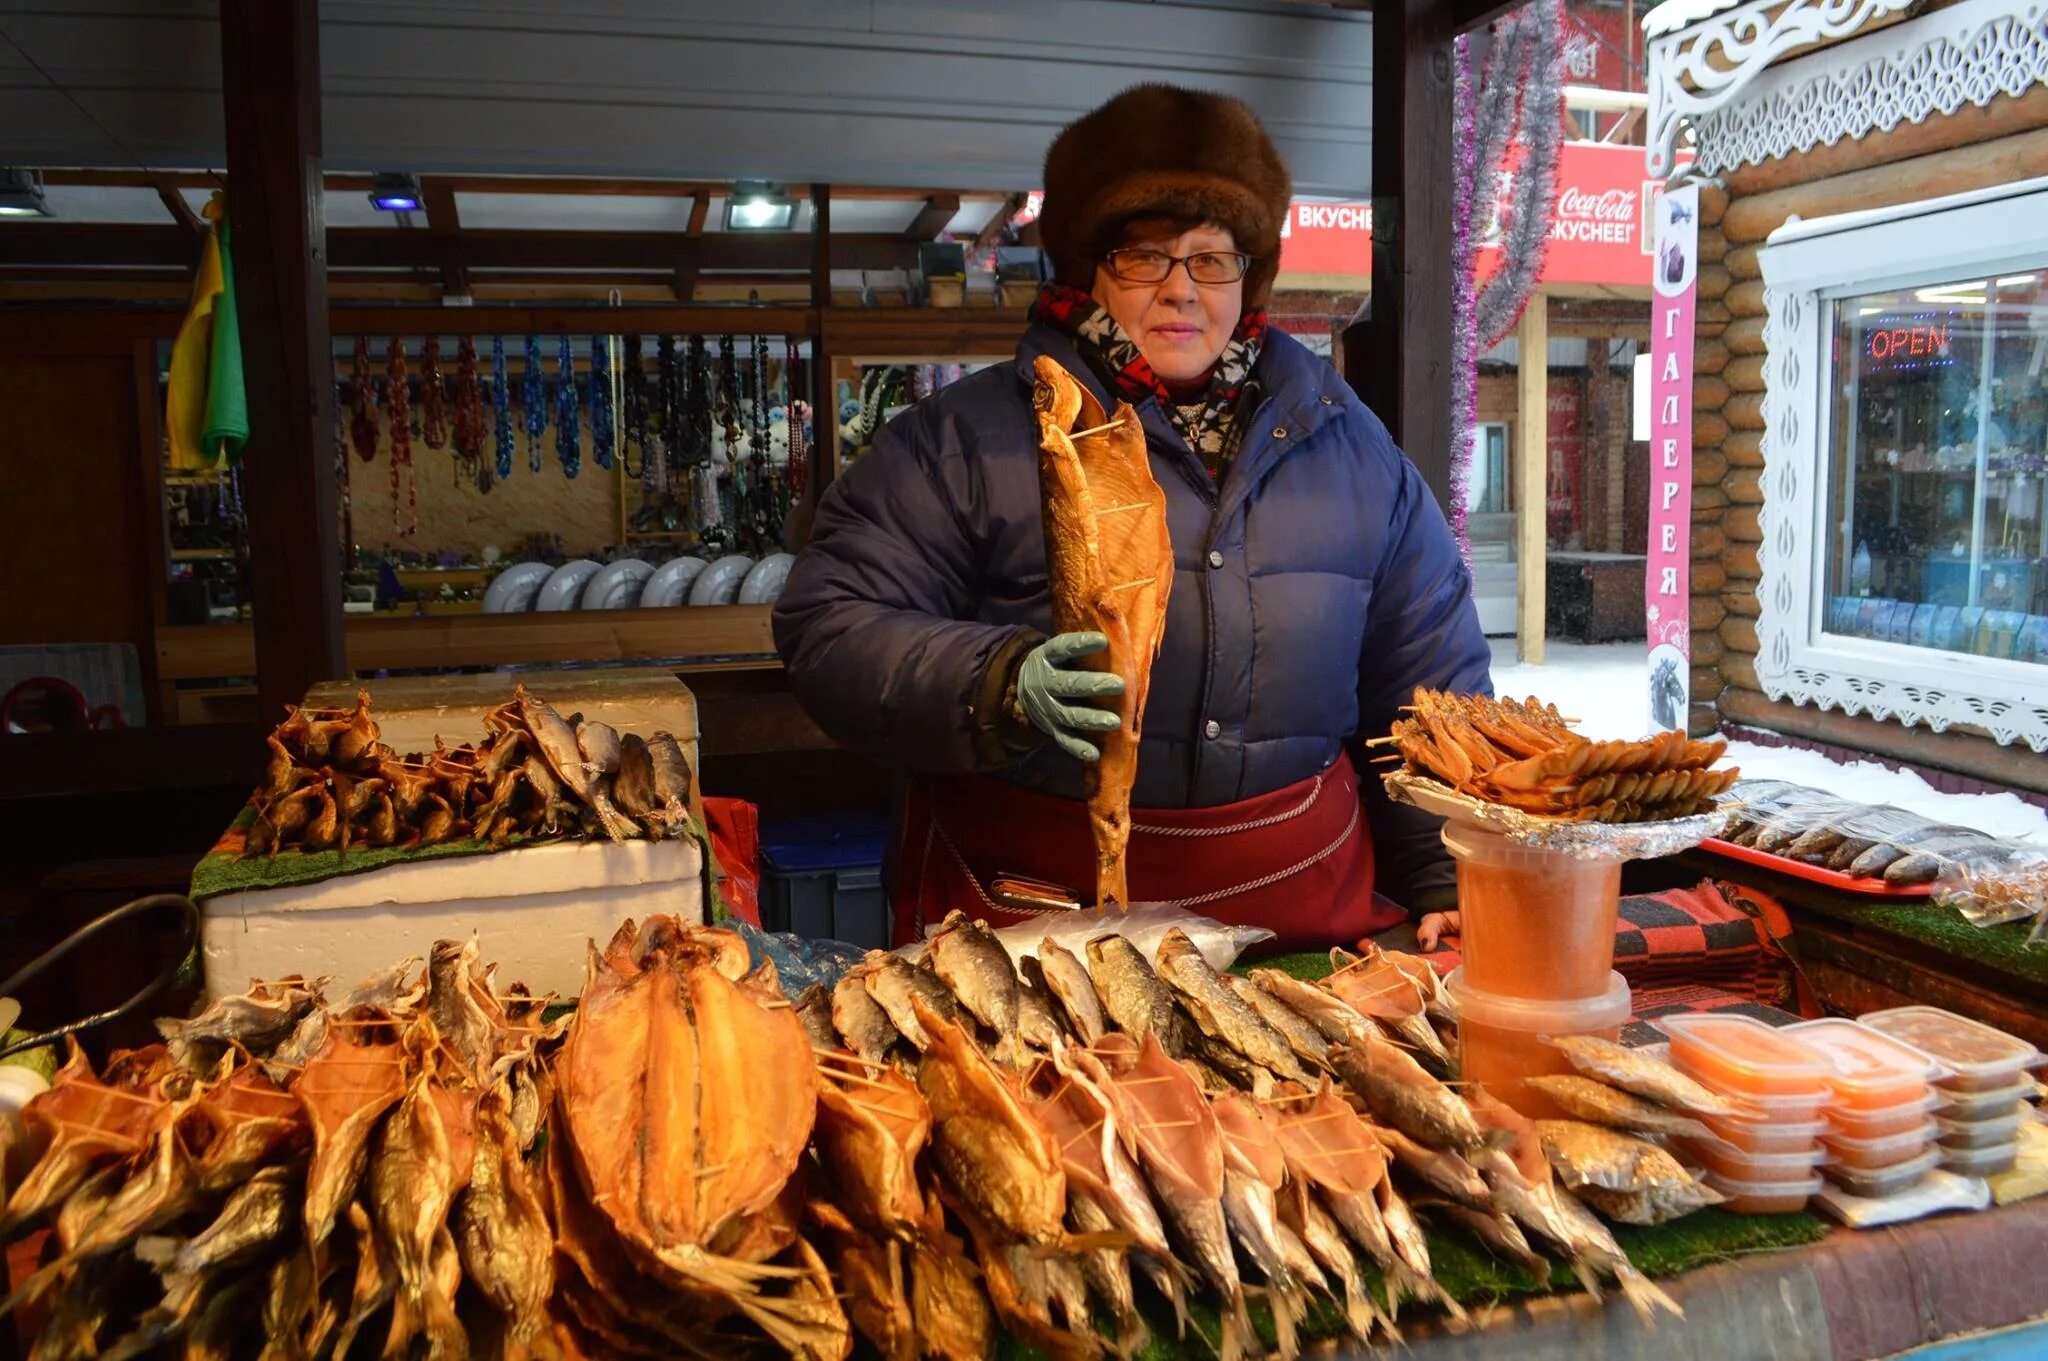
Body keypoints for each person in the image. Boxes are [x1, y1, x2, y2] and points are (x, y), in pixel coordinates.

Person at [774, 84, 1491, 949]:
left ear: (1250, 274)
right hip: (1034, 917)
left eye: (1213, 257)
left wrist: (1443, 866)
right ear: (1087, 267)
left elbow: (1427, 674)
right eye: (1145, 256)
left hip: (1298, 918)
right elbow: (829, 622)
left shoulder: (1350, 445)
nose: (1182, 289)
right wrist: (992, 683)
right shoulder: (964, 442)